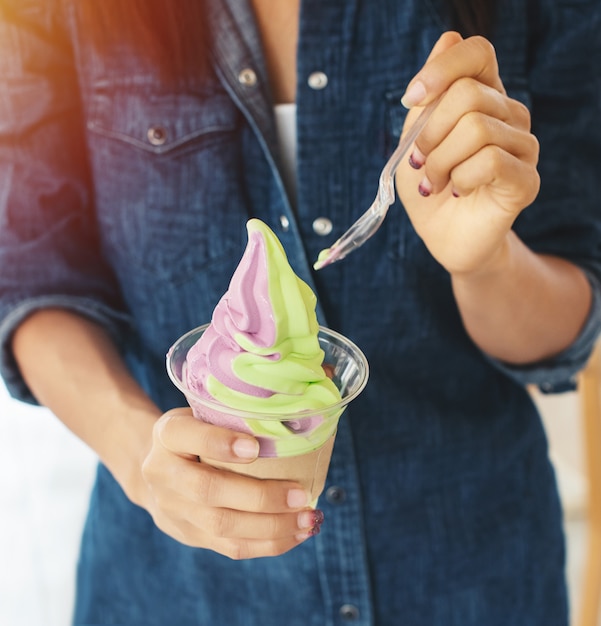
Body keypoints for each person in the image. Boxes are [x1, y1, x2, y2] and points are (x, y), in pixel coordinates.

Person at [0, 0, 600, 624]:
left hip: (463, 571)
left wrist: (487, 261)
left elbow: (568, 320)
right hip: (182, 589)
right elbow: (29, 273)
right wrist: (138, 455)